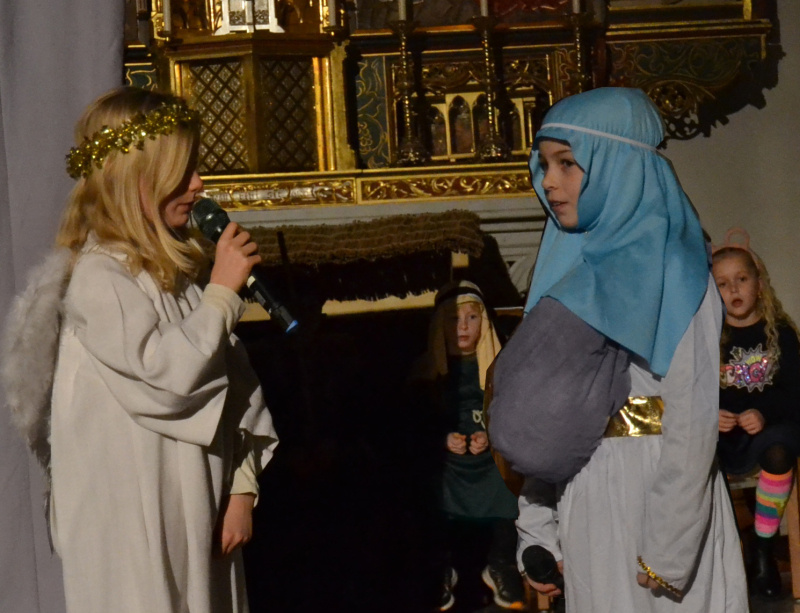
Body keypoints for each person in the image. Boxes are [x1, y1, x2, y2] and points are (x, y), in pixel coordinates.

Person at [1, 87, 278, 613]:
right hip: (130, 528)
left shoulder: (177, 281)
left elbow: (237, 391)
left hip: (197, 520)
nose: (198, 184)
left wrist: (241, 491)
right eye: (183, 170)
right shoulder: (99, 278)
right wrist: (222, 294)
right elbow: (168, 378)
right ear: (137, 178)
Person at [487, 87, 748, 612]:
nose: (549, 181)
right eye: (544, 164)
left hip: (659, 498)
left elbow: (693, 419)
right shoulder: (567, 268)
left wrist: (668, 548)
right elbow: (549, 413)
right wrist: (538, 530)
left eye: (567, 163)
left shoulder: (680, 271)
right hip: (588, 493)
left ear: (618, 165)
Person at [409, 280, 525, 611]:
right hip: (448, 465)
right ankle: (442, 567)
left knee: (509, 481)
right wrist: (442, 438)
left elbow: (514, 415)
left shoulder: (501, 368)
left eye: (471, 318)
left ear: (483, 323)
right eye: (453, 319)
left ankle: (501, 562)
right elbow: (413, 423)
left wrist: (491, 436)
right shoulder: (425, 371)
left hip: (488, 461)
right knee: (430, 487)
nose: (462, 327)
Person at [712, 228, 800, 598]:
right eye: (722, 284)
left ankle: (763, 548)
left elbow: (793, 393)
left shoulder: (780, 332)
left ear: (759, 285)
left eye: (741, 280)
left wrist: (762, 412)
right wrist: (712, 413)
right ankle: (729, 553)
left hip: (768, 431)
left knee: (780, 448)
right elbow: (694, 389)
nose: (733, 289)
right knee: (694, 453)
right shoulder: (710, 336)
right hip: (724, 436)